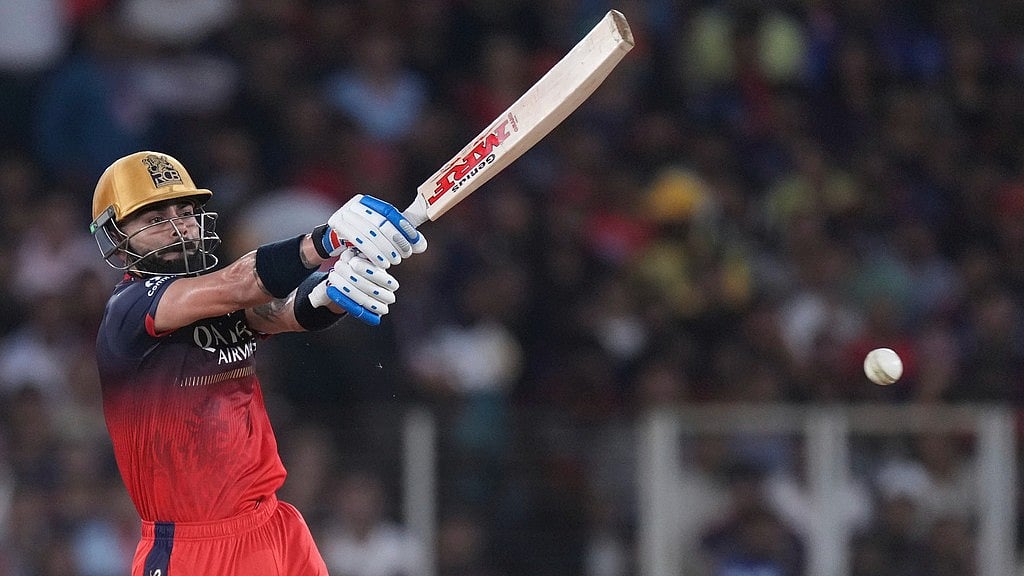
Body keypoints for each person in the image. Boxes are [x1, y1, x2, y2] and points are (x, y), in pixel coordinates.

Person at [88, 150, 426, 575]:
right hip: (194, 550)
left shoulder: (213, 298)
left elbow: (286, 313)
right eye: (155, 218)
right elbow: (241, 284)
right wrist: (325, 241)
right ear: (116, 239)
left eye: (186, 213)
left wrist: (333, 290)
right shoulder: (129, 308)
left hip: (274, 527)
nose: (178, 227)